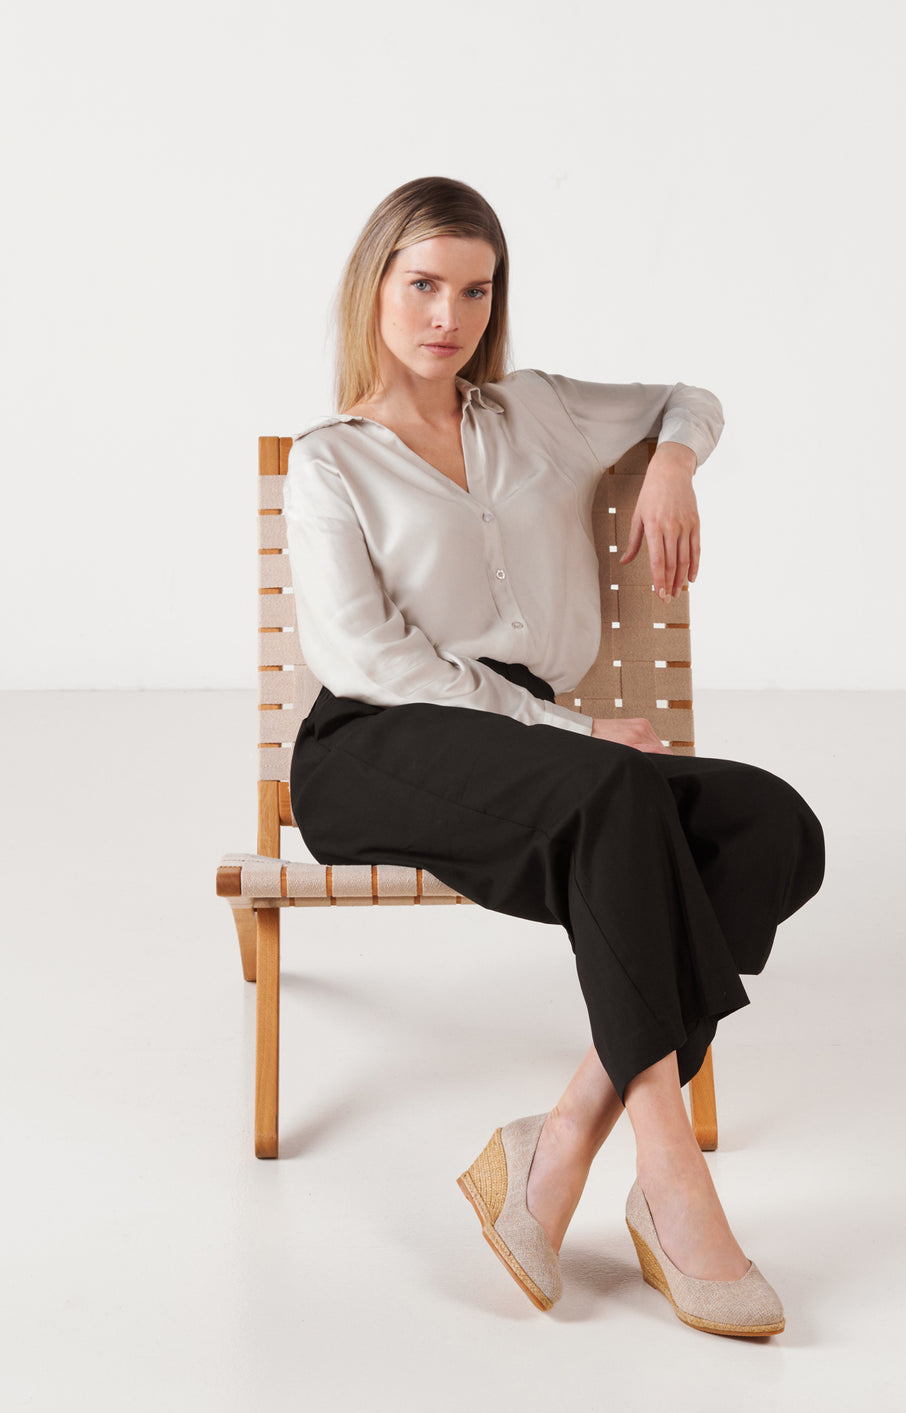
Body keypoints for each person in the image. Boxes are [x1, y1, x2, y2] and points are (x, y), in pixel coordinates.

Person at [283, 175, 825, 1337]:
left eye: (474, 290)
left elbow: (690, 398)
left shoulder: (535, 412)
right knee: (622, 788)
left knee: (770, 823)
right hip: (377, 741)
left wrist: (672, 466)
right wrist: (569, 731)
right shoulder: (331, 460)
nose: (449, 315)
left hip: (539, 753)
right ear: (372, 288)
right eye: (422, 284)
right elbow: (366, 655)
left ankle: (562, 1133)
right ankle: (671, 1181)